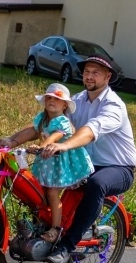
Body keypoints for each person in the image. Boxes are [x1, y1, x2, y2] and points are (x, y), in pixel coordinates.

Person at [0, 54, 136, 263]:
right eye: (87, 72)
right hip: (85, 163)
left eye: (96, 73)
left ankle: (66, 246)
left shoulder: (114, 106)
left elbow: (90, 131)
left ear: (107, 77)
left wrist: (62, 145)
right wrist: (12, 141)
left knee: (96, 184)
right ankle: (45, 229)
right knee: (43, 186)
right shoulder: (77, 101)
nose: (90, 76)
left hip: (117, 167)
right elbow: (48, 126)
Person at [27, 83, 94, 242]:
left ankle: (55, 229)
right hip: (47, 162)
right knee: (36, 193)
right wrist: (12, 141)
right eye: (49, 98)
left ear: (65, 104)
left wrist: (41, 147)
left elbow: (55, 137)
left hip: (63, 164)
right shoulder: (42, 118)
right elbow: (31, 131)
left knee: (52, 193)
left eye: (57, 99)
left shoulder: (62, 121)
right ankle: (39, 224)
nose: (52, 101)